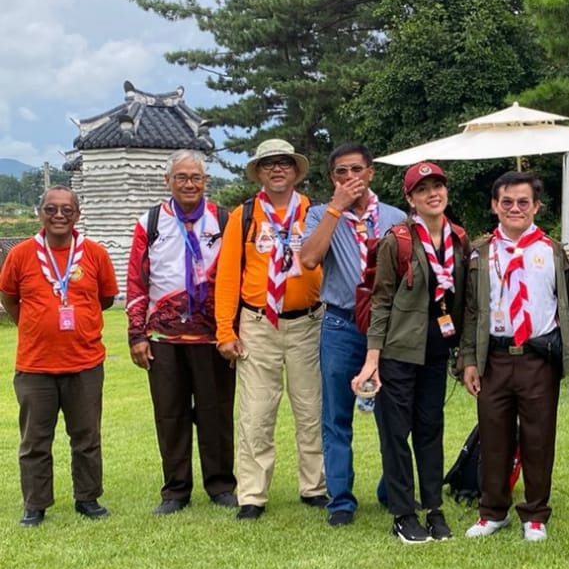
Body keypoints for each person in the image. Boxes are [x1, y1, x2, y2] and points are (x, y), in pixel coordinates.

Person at [352, 162, 469, 544]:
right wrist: (372, 359)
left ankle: (433, 508)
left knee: (431, 431)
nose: (433, 194)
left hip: (436, 353)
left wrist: (463, 352)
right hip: (397, 353)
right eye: (423, 189)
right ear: (410, 199)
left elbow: (465, 301)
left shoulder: (458, 239)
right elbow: (381, 301)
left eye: (438, 186)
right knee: (395, 435)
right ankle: (403, 513)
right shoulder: (398, 240)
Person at [458, 172, 569, 542]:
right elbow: (470, 310)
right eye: (506, 202)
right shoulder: (480, 252)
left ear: (536, 206)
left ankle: (535, 514)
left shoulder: (552, 251)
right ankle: (493, 511)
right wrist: (469, 360)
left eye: (523, 202)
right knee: (494, 436)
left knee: (539, 437)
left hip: (537, 356)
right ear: (495, 205)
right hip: (494, 356)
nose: (515, 208)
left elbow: (568, 305)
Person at [214, 139, 326, 520]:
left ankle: (315, 486)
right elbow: (227, 276)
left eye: (284, 163)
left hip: (308, 322)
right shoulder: (243, 216)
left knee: (311, 409)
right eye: (268, 164)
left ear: (296, 171)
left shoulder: (314, 212)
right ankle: (252, 494)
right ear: (259, 172)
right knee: (256, 412)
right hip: (259, 324)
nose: (277, 169)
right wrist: (225, 331)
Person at [300, 143, 406, 527]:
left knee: (393, 414)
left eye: (356, 170)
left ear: (371, 172)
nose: (350, 178)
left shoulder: (395, 217)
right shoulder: (319, 214)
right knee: (336, 415)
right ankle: (341, 500)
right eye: (341, 172)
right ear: (332, 178)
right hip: (341, 323)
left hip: (387, 326)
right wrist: (336, 207)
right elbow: (309, 259)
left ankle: (391, 489)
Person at [126, 150, 237, 515]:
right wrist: (136, 334)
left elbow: (236, 277)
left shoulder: (224, 220)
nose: (189, 184)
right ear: (168, 181)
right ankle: (175, 490)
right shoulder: (150, 222)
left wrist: (233, 331)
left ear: (206, 181)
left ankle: (221, 484)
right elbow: (136, 282)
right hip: (163, 338)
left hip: (213, 338)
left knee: (216, 413)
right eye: (181, 177)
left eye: (196, 177)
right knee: (170, 415)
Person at [1, 186, 117, 526]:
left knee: (86, 436)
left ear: (77, 214)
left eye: (67, 209)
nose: (59, 215)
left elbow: (106, 298)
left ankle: (88, 498)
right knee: (35, 440)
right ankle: (35, 504)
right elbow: (9, 297)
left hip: (85, 362)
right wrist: (34, 324)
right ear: (40, 213)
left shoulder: (95, 254)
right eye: (51, 209)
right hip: (35, 365)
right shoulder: (21, 254)